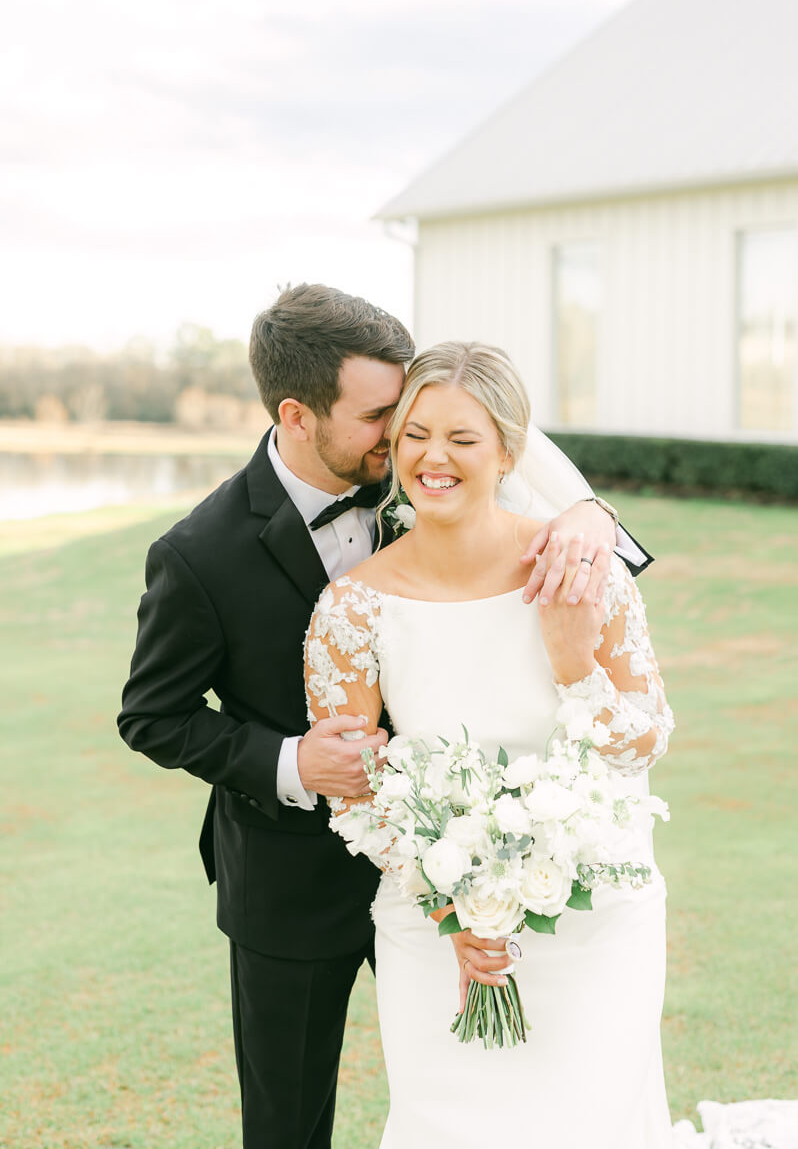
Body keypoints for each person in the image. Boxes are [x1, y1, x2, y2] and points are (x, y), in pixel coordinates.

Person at [118, 287, 651, 1149]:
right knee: (289, 1123)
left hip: (516, 868)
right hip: (295, 882)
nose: (407, 437)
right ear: (297, 416)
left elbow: (517, 473)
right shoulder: (198, 552)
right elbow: (152, 715)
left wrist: (590, 510)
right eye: (384, 419)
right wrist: (293, 762)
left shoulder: (421, 475)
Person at [304, 341, 674, 1148]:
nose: (434, 458)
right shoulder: (351, 609)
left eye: (462, 439)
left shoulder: (582, 568)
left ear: (508, 450)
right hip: (435, 928)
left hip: (598, 917)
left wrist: (574, 659)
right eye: (414, 436)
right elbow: (353, 786)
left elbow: (644, 742)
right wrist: (455, 905)